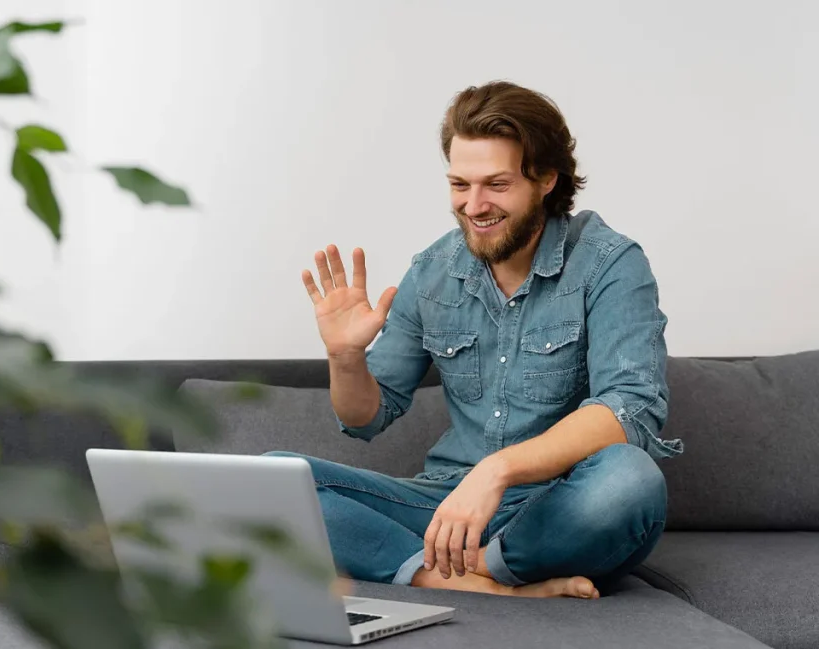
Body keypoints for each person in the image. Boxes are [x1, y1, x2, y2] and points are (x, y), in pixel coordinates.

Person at [278, 80, 684, 599]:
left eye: (496, 184)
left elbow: (631, 408)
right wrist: (345, 356)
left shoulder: (610, 263)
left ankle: (486, 566)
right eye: (459, 185)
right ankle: (475, 584)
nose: (474, 205)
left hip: (557, 505)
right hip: (445, 507)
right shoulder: (432, 271)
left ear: (546, 180)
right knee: (278, 481)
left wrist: (497, 472)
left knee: (631, 480)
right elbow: (365, 419)